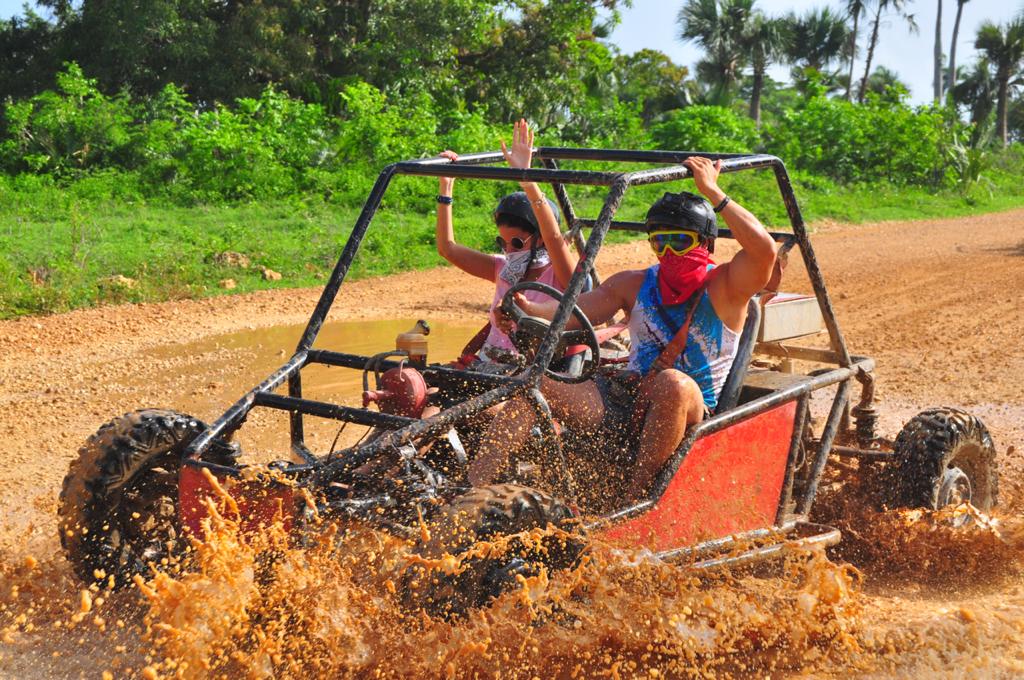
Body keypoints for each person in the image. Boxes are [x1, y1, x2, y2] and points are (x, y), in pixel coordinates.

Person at [469, 156, 778, 500]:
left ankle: (637, 499)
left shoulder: (726, 287)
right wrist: (529, 309)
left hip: (691, 409)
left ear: (705, 243)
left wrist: (713, 192)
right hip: (628, 399)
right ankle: (472, 492)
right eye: (660, 242)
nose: (669, 252)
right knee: (535, 385)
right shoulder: (634, 284)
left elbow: (764, 251)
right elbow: (571, 311)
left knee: (672, 383)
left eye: (680, 241)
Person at [435, 119, 577, 364]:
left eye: (518, 244)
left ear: (540, 240)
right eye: (504, 243)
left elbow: (554, 238)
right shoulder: (502, 269)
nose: (510, 250)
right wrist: (446, 187)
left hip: (531, 375)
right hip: (488, 365)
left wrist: (527, 180)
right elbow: (447, 248)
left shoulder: (561, 276)